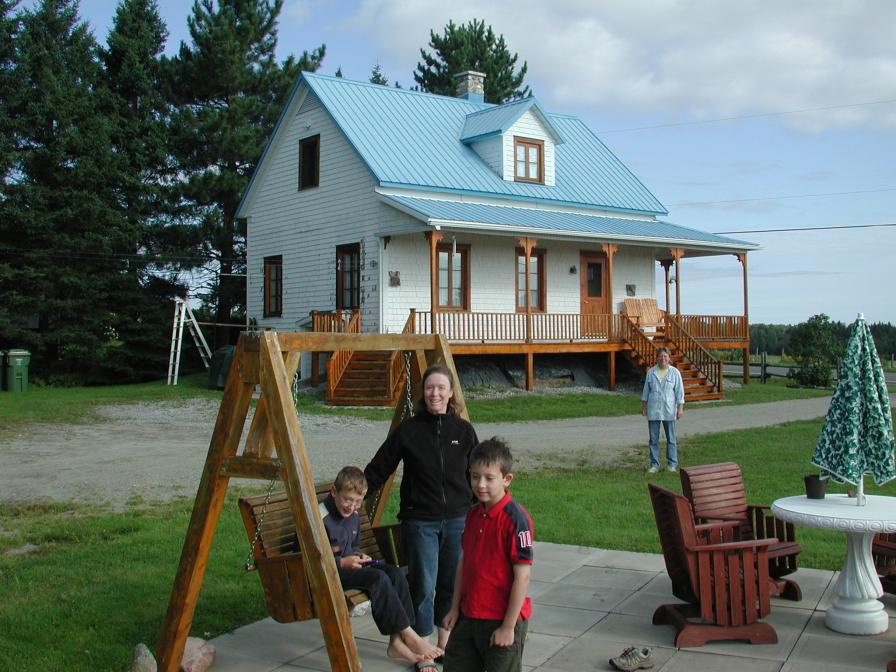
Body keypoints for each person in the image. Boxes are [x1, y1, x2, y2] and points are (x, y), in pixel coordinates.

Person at [364, 364, 478, 656]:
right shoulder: (409, 430)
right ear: (422, 392)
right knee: (423, 585)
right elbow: (379, 467)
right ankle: (422, 642)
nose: (435, 393)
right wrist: (354, 494)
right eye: (430, 388)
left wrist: (483, 511)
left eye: (441, 388)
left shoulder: (464, 431)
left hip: (458, 520)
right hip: (420, 521)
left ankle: (445, 640)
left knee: (450, 583)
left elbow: (476, 474)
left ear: (451, 393)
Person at [321, 466, 443, 666]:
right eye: (347, 500)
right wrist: (342, 562)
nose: (352, 507)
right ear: (334, 492)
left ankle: (396, 642)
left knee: (394, 573)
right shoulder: (319, 517)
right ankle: (409, 635)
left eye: (358, 502)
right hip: (329, 572)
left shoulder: (353, 516)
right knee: (378, 578)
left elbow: (352, 546)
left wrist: (359, 555)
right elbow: (307, 557)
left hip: (350, 567)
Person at [442, 437, 533, 672]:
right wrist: (455, 608)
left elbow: (522, 577)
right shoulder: (472, 515)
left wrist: (508, 627)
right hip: (468, 615)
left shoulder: (516, 519)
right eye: (475, 476)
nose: (480, 484)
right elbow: (464, 562)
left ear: (506, 479)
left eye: (489, 478)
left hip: (501, 619)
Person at [640, 346, 685, 473]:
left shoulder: (675, 373)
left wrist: (680, 408)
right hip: (653, 410)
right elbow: (646, 392)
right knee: (653, 439)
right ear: (657, 358)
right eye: (660, 356)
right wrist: (644, 407)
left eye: (665, 356)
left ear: (669, 358)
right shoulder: (651, 372)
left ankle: (672, 464)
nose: (663, 358)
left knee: (671, 438)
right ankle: (654, 464)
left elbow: (680, 392)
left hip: (669, 410)